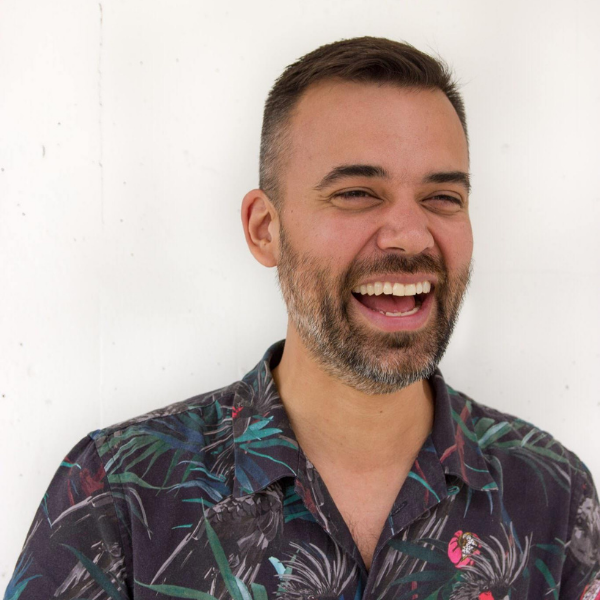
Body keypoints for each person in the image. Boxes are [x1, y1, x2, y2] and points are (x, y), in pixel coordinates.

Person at [4, 36, 599, 600]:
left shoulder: (553, 496)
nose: (411, 235)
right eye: (357, 193)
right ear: (265, 229)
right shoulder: (116, 497)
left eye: (443, 197)